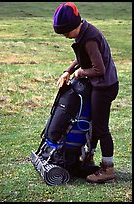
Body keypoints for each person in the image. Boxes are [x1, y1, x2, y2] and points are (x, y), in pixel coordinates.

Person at [52, 2, 119, 183]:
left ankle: (108, 168)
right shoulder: (82, 33)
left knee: (100, 128)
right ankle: (88, 158)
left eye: (66, 32)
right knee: (92, 124)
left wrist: (79, 73)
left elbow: (99, 69)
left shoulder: (89, 38)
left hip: (104, 86)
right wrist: (68, 70)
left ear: (75, 25)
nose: (65, 36)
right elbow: (81, 57)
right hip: (100, 85)